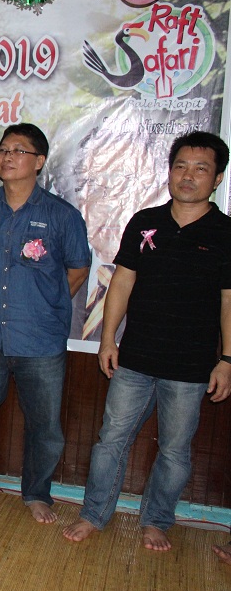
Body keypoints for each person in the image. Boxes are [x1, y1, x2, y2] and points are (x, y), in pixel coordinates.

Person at [63, 131, 231, 551]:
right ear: (169, 172)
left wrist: (227, 360)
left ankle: (156, 520)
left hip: (191, 367)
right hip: (134, 359)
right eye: (180, 166)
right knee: (110, 441)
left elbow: (230, 300)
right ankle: (93, 514)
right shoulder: (144, 221)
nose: (188, 176)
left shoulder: (225, 232)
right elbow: (121, 282)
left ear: (217, 179)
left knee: (174, 450)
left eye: (200, 169)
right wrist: (107, 340)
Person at [0, 123, 90, 522]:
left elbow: (78, 269)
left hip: (39, 340)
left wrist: (44, 304)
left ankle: (37, 493)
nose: (7, 157)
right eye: (2, 150)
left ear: (39, 161)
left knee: (44, 426)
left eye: (18, 151)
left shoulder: (61, 215)